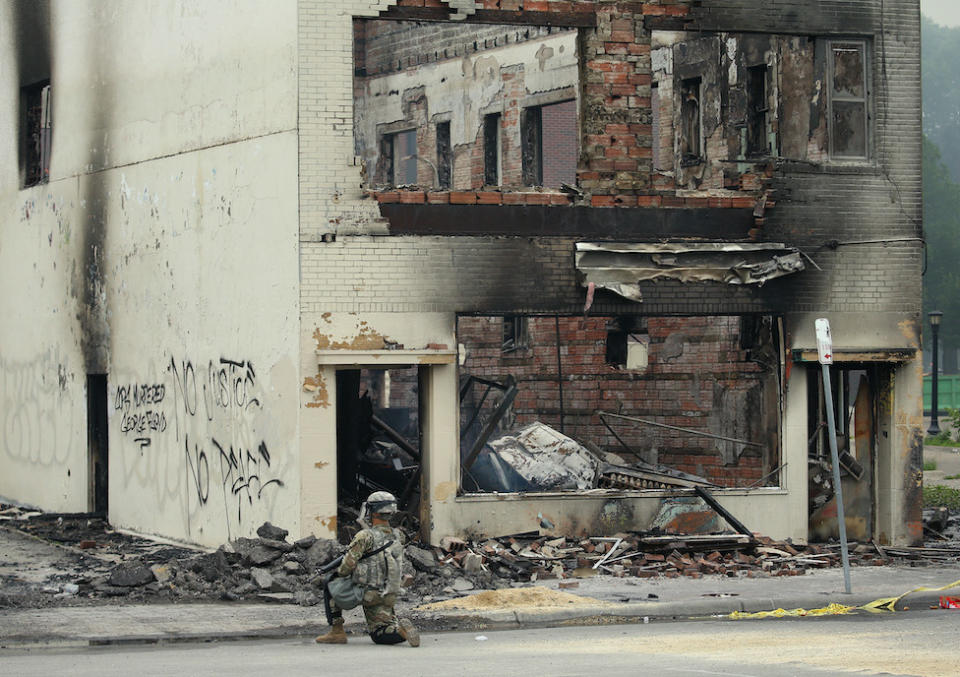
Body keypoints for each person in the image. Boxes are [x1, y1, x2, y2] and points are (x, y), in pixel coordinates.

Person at [315, 491, 420, 647]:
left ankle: (337, 631)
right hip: (388, 592)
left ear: (373, 511)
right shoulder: (398, 536)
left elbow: (347, 566)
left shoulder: (365, 536)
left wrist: (344, 573)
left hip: (366, 592)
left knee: (331, 582)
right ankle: (399, 630)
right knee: (380, 634)